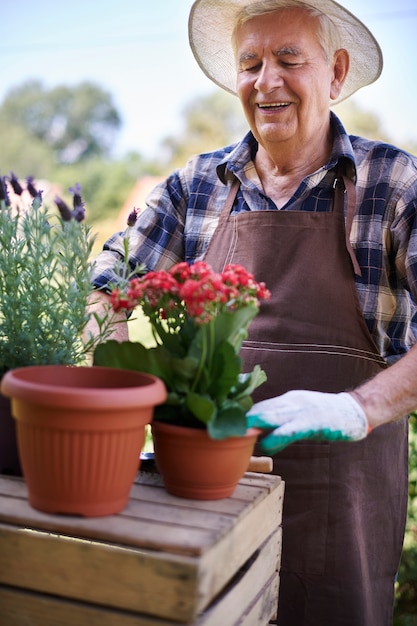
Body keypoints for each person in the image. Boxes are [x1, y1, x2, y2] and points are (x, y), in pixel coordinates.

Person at [89, 1, 417, 624]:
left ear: (336, 72)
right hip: (207, 501)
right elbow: (108, 282)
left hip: (342, 511)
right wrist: (122, 387)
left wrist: (358, 407)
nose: (267, 80)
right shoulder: (197, 186)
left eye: (289, 58)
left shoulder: (391, 184)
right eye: (250, 62)